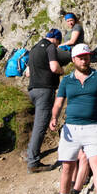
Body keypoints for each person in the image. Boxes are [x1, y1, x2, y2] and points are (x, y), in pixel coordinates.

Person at [49, 44, 97, 194]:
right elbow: (59, 102)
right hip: (71, 128)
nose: (84, 60)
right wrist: (54, 117)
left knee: (96, 163)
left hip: (93, 127)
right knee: (67, 165)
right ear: (73, 59)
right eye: (81, 57)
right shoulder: (66, 80)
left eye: (86, 56)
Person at [25, 29, 64, 173]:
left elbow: (27, 72)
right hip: (44, 90)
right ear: (56, 40)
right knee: (40, 126)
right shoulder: (50, 47)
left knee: (38, 123)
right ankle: (33, 162)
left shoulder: (34, 48)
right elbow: (54, 67)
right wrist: (62, 71)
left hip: (32, 90)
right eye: (58, 43)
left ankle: (30, 153)